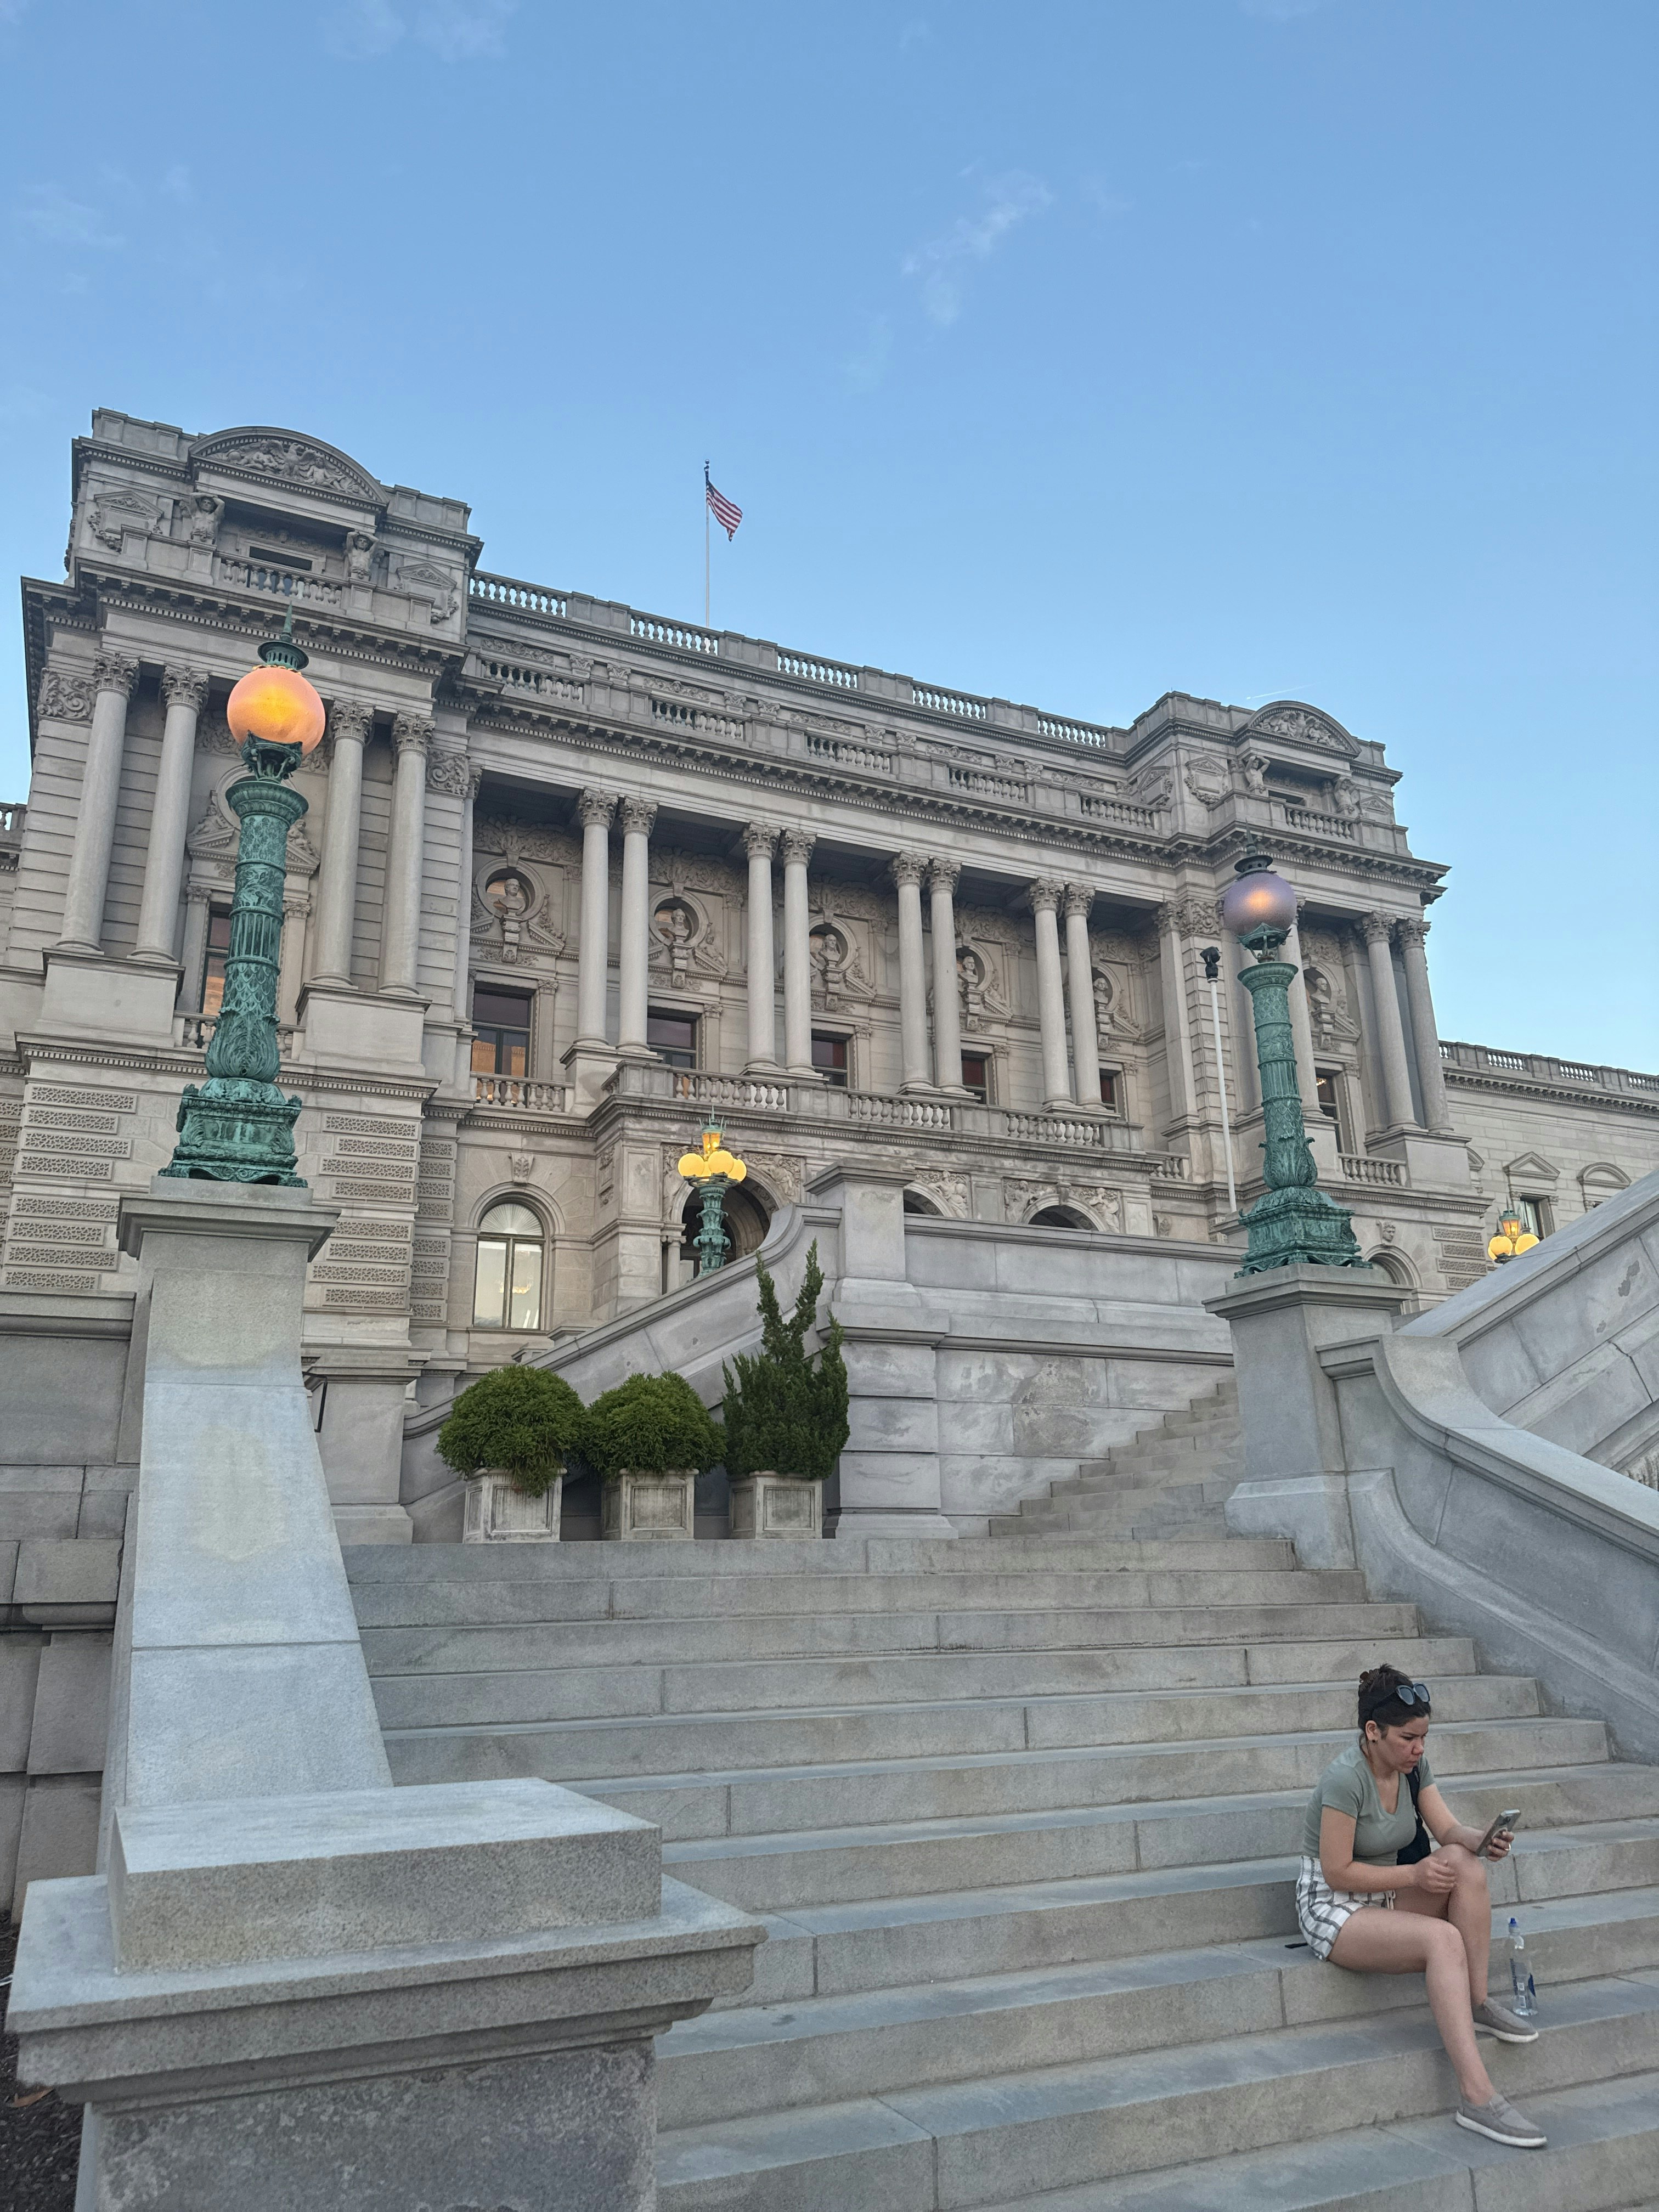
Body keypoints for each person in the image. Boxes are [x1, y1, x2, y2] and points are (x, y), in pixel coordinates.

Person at [1297, 1663, 1546, 2149]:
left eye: (1424, 1737)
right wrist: (1414, 1874)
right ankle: (1477, 2096)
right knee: (1442, 1938)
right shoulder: (1345, 1779)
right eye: (1409, 1738)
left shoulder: (1413, 1770)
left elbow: (1447, 1830)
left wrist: (1482, 1839)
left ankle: (1474, 2001)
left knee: (1465, 1865)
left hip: (1383, 1888)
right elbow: (1337, 1873)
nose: (1419, 1748)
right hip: (1332, 1904)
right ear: (1373, 1731)